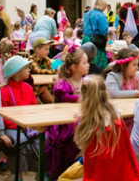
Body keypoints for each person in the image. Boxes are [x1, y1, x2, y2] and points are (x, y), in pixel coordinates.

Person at [74, 75, 139, 181]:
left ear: (83, 97)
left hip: (99, 173)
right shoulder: (116, 116)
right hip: (120, 171)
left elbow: (85, 151)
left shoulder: (83, 122)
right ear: (106, 93)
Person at [46, 48, 89, 180]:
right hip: (66, 124)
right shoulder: (63, 84)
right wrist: (85, 98)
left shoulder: (87, 82)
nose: (88, 65)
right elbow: (66, 98)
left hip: (82, 120)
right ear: (74, 67)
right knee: (71, 144)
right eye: (85, 63)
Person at [0, 55, 40, 180]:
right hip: (12, 127)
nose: (29, 70)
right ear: (17, 73)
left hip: (28, 125)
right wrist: (17, 124)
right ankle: (18, 174)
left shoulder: (28, 88)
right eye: (26, 68)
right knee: (20, 142)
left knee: (43, 140)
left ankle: (39, 171)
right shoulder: (5, 92)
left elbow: (34, 107)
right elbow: (1, 115)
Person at [82, 0, 110, 69]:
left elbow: (84, 26)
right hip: (96, 40)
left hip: (85, 38)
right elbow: (104, 31)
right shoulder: (101, 15)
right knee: (97, 60)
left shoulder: (87, 13)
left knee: (84, 58)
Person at [29, 38, 56, 104]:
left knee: (50, 102)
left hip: (43, 87)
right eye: (45, 49)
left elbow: (49, 73)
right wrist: (55, 71)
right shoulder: (31, 60)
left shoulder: (47, 60)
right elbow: (38, 71)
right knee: (37, 104)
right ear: (37, 50)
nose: (48, 52)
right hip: (33, 89)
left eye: (48, 49)